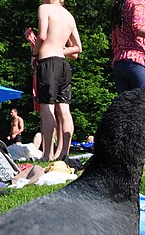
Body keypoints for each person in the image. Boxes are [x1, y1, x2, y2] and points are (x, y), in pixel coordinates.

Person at [33, 0, 82, 162]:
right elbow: (77, 48)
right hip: (63, 65)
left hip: (48, 62)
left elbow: (42, 35)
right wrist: (59, 48)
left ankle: (47, 154)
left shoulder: (44, 8)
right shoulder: (69, 16)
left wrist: (34, 54)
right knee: (65, 110)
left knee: (47, 109)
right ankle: (64, 154)